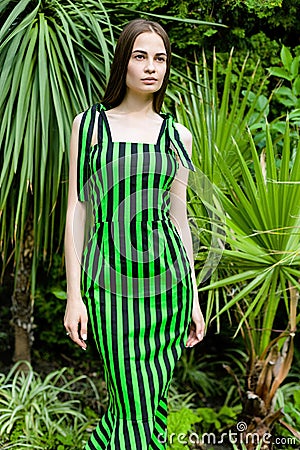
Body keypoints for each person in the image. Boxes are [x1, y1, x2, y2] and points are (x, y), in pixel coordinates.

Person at [64, 18, 205, 450]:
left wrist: (194, 298)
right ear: (122, 62)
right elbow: (77, 211)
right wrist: (74, 295)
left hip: (168, 289)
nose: (150, 67)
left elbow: (179, 220)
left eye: (159, 58)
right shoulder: (88, 126)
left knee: (147, 402)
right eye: (140, 56)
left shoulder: (178, 135)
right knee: (133, 401)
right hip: (109, 287)